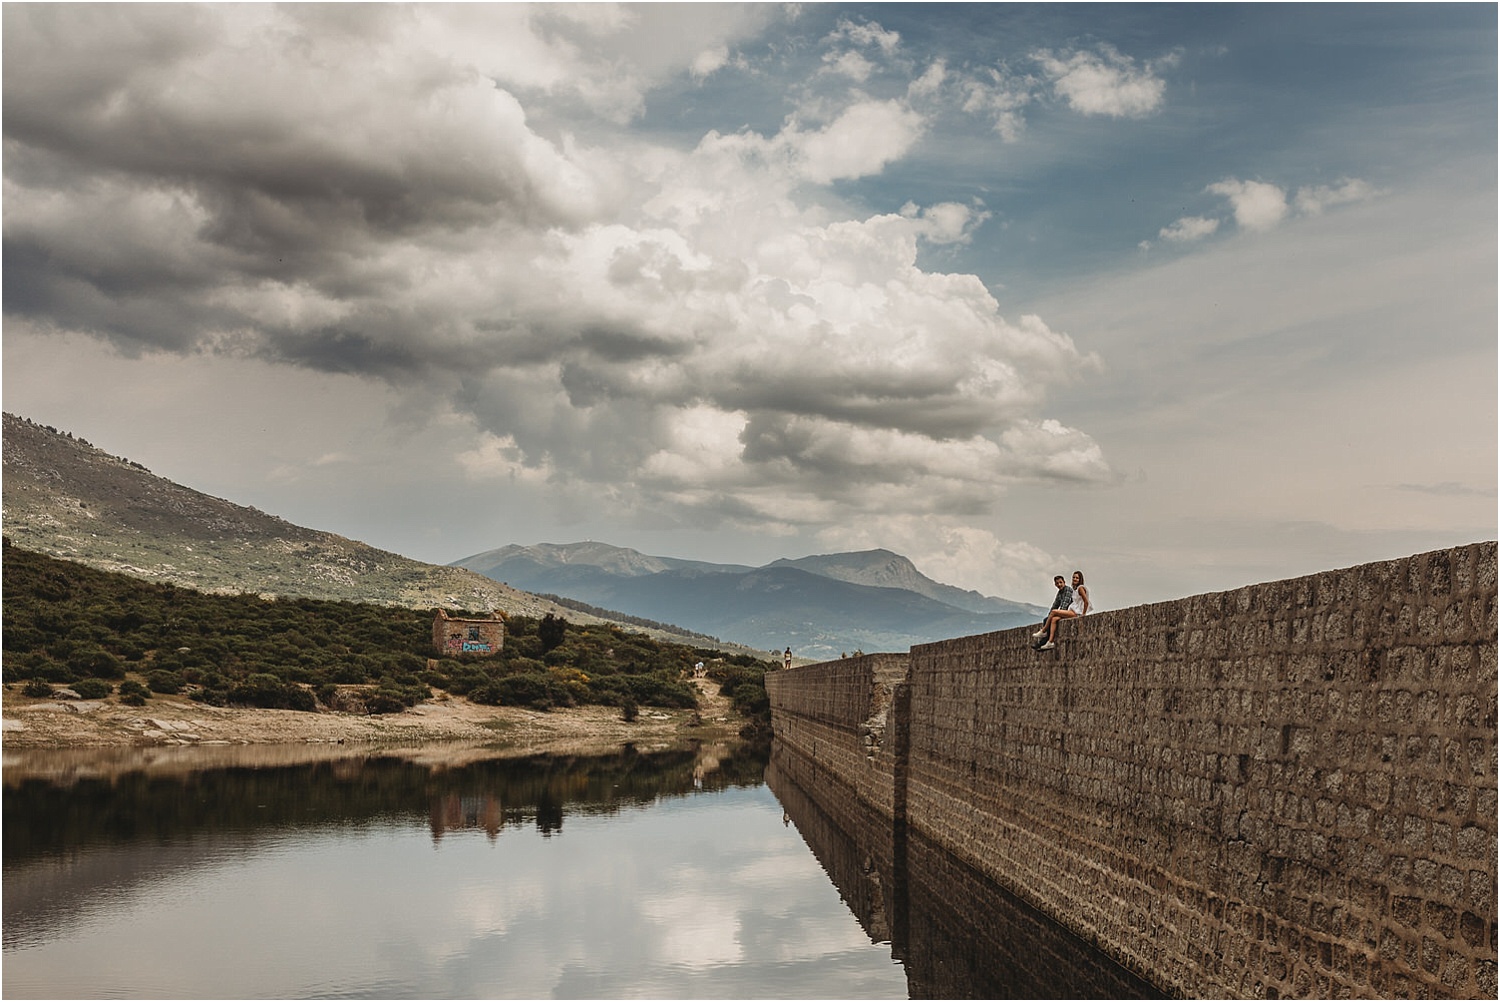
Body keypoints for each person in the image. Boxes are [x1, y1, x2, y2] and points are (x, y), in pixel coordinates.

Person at [1034, 570, 1090, 650]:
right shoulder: (1074, 589)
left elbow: (1086, 602)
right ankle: (1050, 642)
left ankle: (1043, 631)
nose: (1074, 579)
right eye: (1073, 577)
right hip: (1072, 610)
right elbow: (1055, 604)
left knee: (1053, 613)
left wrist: (1083, 614)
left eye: (1077, 578)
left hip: (1076, 612)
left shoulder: (1080, 588)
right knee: (1053, 619)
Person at [1032, 575, 1073, 648]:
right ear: (1055, 584)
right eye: (1057, 583)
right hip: (1064, 612)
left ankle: (1043, 633)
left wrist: (1053, 614)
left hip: (1069, 612)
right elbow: (1055, 604)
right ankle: (1043, 642)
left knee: (1051, 617)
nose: (1059, 585)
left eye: (1060, 582)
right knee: (1046, 619)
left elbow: (1064, 605)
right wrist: (1049, 616)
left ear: (1064, 582)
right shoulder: (1060, 592)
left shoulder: (1068, 590)